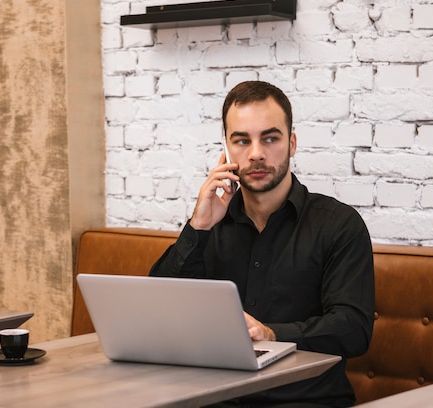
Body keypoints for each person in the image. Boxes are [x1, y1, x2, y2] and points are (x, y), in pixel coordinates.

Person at [149, 81, 375, 407]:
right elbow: (157, 309)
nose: (256, 153)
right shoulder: (210, 223)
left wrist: (271, 334)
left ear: (292, 143)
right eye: (242, 140)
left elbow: (354, 330)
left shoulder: (339, 225)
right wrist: (198, 226)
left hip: (307, 401)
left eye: (270, 138)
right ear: (226, 149)